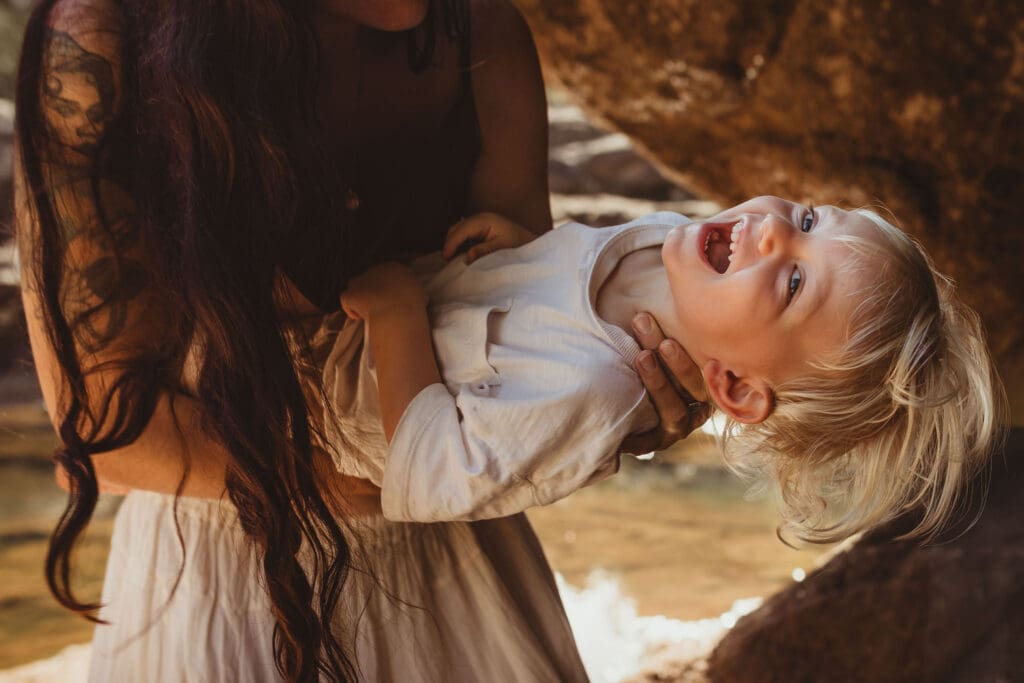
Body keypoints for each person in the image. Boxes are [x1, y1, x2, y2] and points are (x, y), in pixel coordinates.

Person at [14, 0, 705, 681]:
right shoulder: (100, 46)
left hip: (454, 573)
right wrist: (441, 474)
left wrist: (626, 390)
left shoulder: (480, 30)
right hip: (221, 578)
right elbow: (107, 429)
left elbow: (527, 350)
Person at [337, 197, 1006, 543]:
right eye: (806, 217)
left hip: (319, 396)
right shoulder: (663, 241)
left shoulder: (595, 388)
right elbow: (548, 304)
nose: (774, 230)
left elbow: (428, 479)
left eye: (796, 280)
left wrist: (399, 315)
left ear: (735, 387)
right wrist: (528, 254)